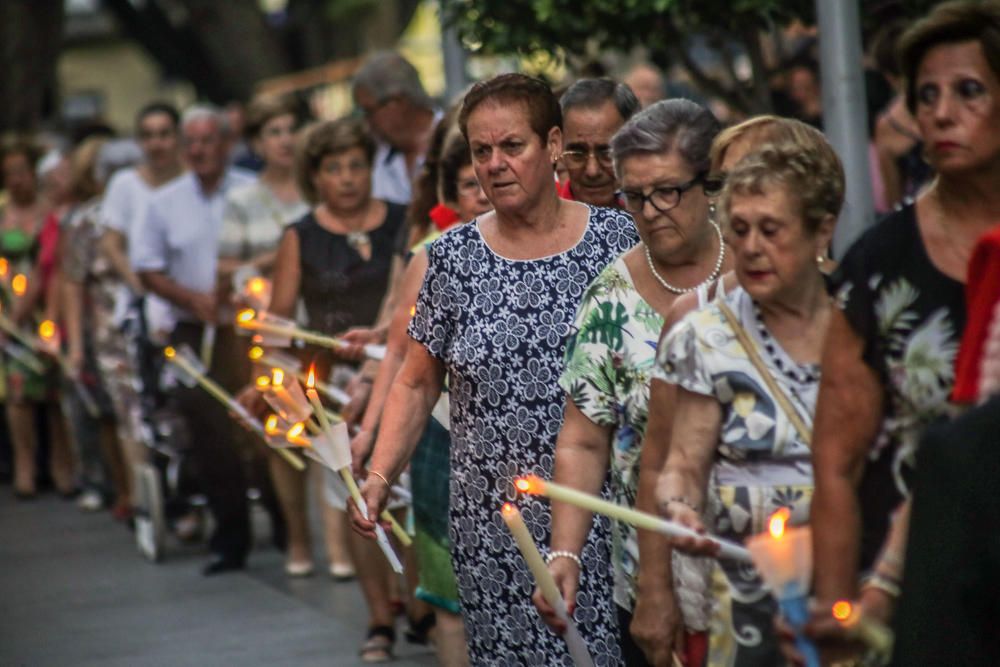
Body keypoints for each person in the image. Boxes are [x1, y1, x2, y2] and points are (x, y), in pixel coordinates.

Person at [352, 73, 639, 664]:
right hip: (493, 525)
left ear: (553, 145)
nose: (495, 164)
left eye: (513, 146)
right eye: (482, 151)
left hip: (604, 515)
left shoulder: (618, 243)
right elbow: (416, 377)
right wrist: (380, 477)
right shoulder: (451, 258)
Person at [807, 2, 1000, 655]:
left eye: (969, 91)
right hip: (921, 586)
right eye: (926, 96)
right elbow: (837, 458)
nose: (942, 113)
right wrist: (836, 611)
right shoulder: (879, 264)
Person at [533, 98, 728, 667]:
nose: (650, 210)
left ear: (706, 183)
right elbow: (584, 437)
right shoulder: (610, 297)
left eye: (667, 190)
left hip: (766, 557)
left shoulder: (760, 263)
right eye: (635, 196)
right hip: (654, 572)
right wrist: (565, 551)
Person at [656, 135, 843, 665]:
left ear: (820, 231)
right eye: (739, 230)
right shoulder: (706, 336)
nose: (752, 247)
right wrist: (680, 510)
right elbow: (681, 467)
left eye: (771, 229)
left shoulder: (862, 324)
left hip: (845, 584)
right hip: (747, 596)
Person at [252, 116, 408, 661]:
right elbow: (276, 322)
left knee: (408, 498)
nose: (347, 178)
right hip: (336, 386)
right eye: (334, 168)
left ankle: (415, 601)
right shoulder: (300, 236)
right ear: (316, 175)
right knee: (359, 492)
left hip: (401, 371)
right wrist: (270, 381)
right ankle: (379, 617)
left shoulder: (403, 222)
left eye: (357, 166)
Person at [352, 128, 492, 666]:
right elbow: (401, 359)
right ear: (451, 198)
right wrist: (371, 440)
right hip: (442, 434)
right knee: (448, 585)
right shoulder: (432, 256)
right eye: (468, 185)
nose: (482, 192)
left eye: (485, 183)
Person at [133, 105, 257, 575]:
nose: (201, 149)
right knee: (206, 427)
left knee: (261, 423)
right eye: (194, 142)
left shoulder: (250, 191)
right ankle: (229, 536)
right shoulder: (163, 203)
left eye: (210, 140)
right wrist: (190, 298)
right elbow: (147, 268)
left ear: (226, 144)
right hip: (192, 326)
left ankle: (287, 527)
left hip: (246, 325)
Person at [0, 138, 75, 498]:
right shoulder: (2, 213)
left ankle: (63, 464)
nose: (16, 180)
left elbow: (51, 264)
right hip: (9, 311)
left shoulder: (49, 213)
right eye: (8, 174)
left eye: (21, 172)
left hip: (47, 306)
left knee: (55, 390)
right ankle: (24, 465)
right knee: (18, 392)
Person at [100, 102, 184, 345]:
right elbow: (112, 243)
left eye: (164, 134)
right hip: (141, 300)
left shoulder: (194, 183)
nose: (156, 144)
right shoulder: (124, 184)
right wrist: (144, 287)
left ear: (178, 137)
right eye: (147, 136)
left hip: (187, 304)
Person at [352, 51, 439, 205]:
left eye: (368, 111)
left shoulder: (458, 137)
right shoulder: (372, 156)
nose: (366, 122)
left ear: (397, 102)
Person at [556, 78, 639, 207]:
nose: (592, 171)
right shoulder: (539, 222)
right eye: (577, 153)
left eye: (607, 153)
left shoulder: (655, 216)